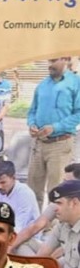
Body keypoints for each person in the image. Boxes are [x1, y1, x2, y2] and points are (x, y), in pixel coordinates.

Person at [27, 57, 80, 207]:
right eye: (48, 61)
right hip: (38, 144)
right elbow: (32, 111)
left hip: (60, 144)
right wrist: (31, 124)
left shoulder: (76, 83)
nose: (49, 65)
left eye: (53, 61)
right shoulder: (43, 84)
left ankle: (55, 222)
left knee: (56, 192)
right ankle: (34, 220)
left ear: (64, 59)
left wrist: (55, 127)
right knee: (32, 190)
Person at [12, 162, 80, 255]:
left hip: (68, 255)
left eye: (67, 182)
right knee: (21, 242)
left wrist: (50, 259)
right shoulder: (61, 202)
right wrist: (10, 247)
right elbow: (36, 226)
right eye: (63, 181)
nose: (62, 185)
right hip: (56, 249)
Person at [38, 179, 80, 268]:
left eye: (59, 203)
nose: (54, 208)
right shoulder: (63, 225)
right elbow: (40, 258)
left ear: (74, 203)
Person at [0, 160, 40, 232]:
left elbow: (19, 227)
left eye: (3, 182)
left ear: (13, 178)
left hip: (27, 234)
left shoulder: (25, 193)